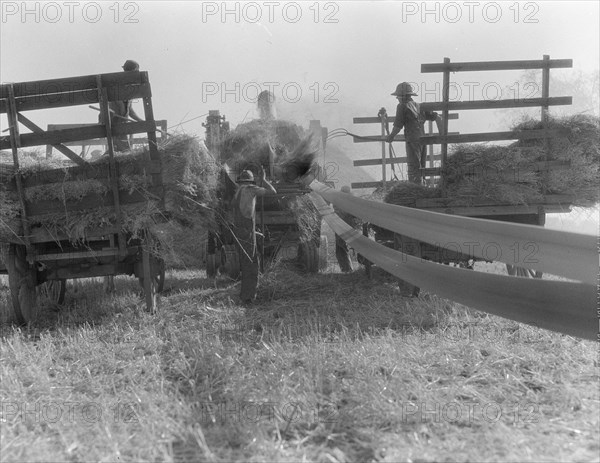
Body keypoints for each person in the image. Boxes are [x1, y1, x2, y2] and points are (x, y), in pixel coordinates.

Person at [231, 167, 276, 303]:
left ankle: (246, 295)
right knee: (251, 264)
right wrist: (263, 180)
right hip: (247, 229)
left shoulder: (237, 191)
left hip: (239, 230)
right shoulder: (251, 189)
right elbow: (273, 192)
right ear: (250, 181)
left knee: (246, 263)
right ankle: (248, 297)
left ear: (240, 181)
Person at [386, 82, 442, 184]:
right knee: (422, 167)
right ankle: (423, 188)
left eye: (398, 96)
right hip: (423, 141)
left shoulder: (402, 106)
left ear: (403, 96)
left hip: (412, 141)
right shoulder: (419, 106)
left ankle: (415, 191)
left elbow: (398, 126)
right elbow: (437, 117)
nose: (397, 99)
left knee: (414, 169)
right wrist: (442, 135)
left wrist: (391, 136)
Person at [99, 59, 144, 152]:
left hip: (122, 122)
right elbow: (112, 105)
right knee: (123, 150)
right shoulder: (116, 85)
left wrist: (140, 120)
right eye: (136, 72)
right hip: (113, 120)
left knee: (123, 150)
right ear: (132, 72)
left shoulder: (129, 88)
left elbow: (129, 109)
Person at [334, 185, 359, 273]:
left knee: (341, 247)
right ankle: (347, 268)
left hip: (341, 227)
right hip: (347, 226)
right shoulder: (353, 200)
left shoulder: (337, 200)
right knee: (342, 247)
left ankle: (347, 269)